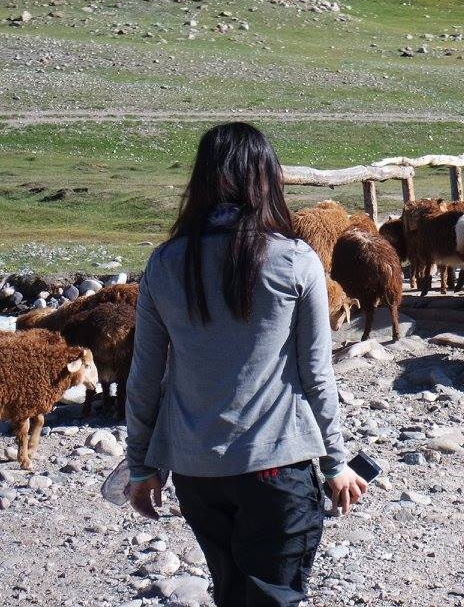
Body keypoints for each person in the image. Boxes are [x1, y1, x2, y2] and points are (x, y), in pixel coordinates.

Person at [125, 122, 367, 607]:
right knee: (272, 595)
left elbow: (145, 375)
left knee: (232, 591)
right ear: (266, 179)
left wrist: (141, 466)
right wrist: (336, 461)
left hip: (196, 473)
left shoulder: (165, 263)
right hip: (276, 467)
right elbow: (316, 372)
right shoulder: (295, 260)